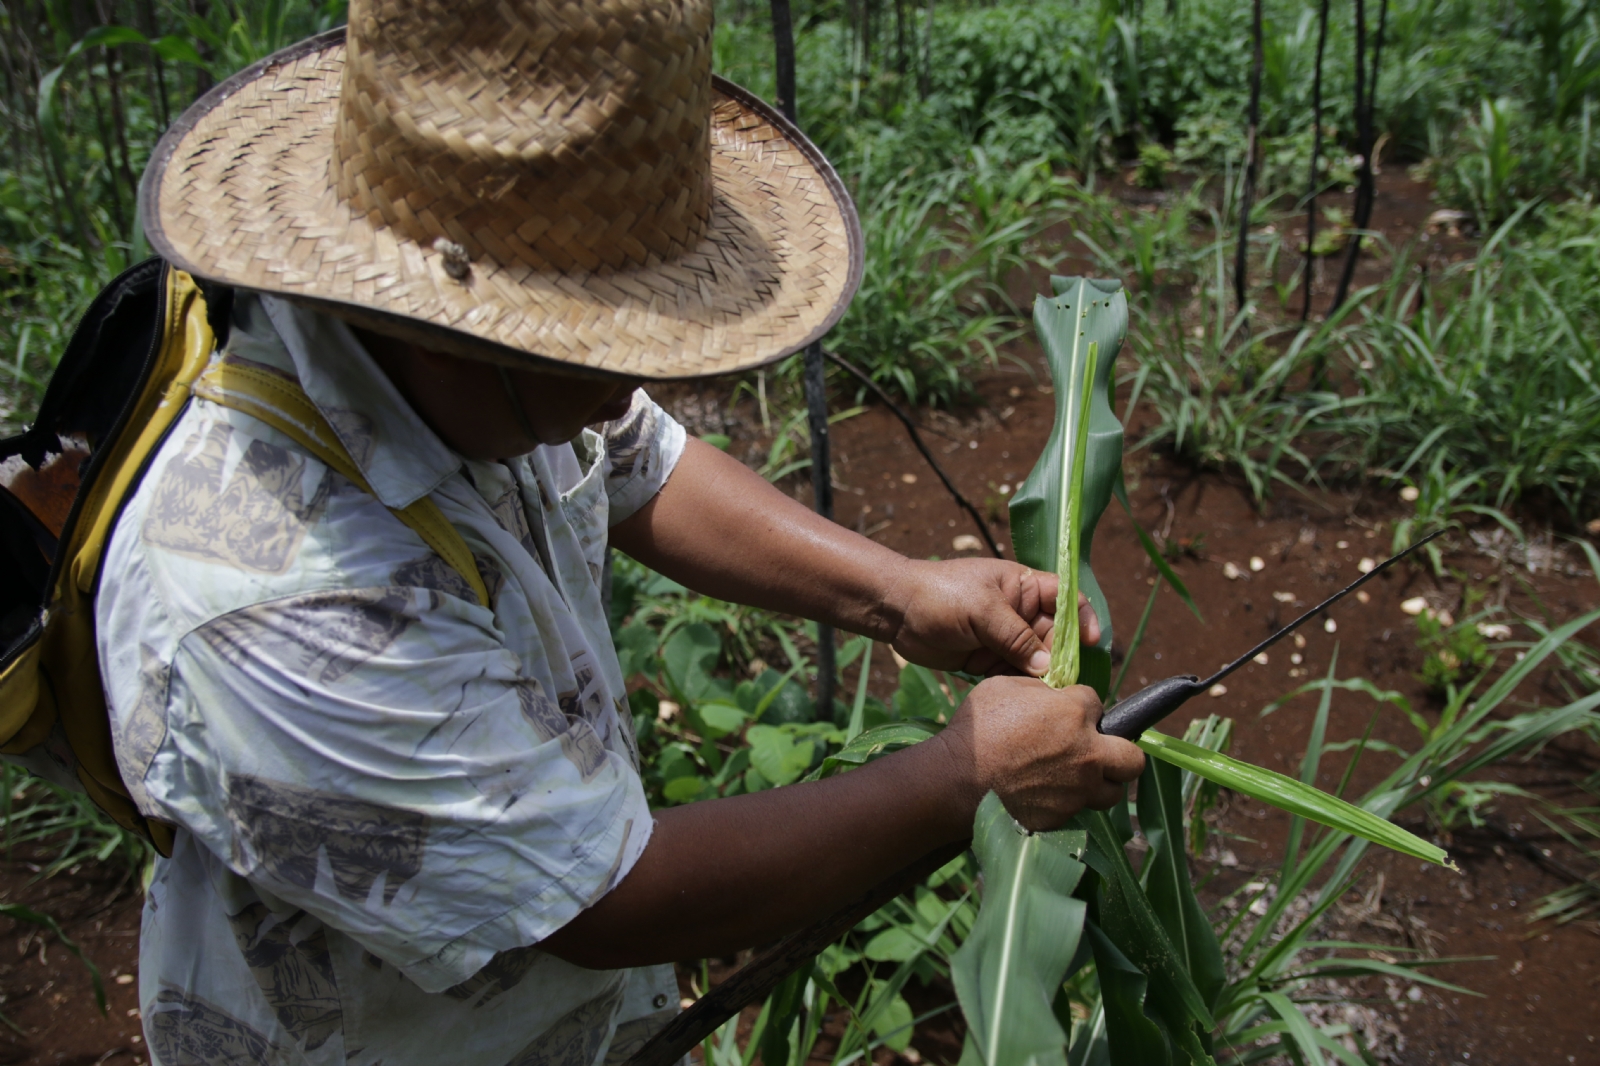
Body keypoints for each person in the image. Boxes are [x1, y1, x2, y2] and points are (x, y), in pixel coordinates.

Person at [114, 0, 1146, 1062]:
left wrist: (899, 590)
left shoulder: (471, 373)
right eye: (600, 354)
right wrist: (959, 776)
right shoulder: (275, 597)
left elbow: (633, 464)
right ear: (441, 330)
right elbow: (599, 898)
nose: (627, 392)